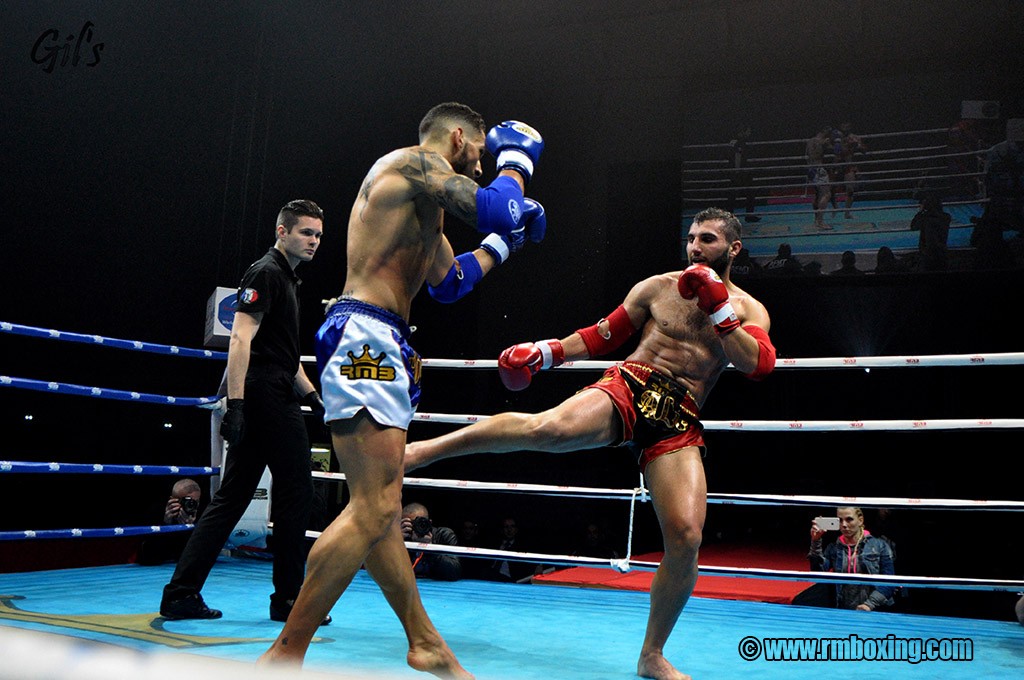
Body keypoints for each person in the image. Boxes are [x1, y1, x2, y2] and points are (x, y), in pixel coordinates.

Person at [405, 207, 776, 680]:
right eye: (691, 239)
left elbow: (757, 364)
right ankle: (420, 452)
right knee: (547, 430)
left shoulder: (747, 308)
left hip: (679, 413)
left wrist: (719, 308)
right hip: (633, 382)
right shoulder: (657, 287)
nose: (694, 248)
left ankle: (651, 655)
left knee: (686, 537)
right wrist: (546, 353)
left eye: (706, 240)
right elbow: (603, 335)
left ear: (733, 249)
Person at [257, 102, 547, 678]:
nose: (484, 164)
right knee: (372, 507)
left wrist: (508, 243)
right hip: (366, 335)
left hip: (380, 337)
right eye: (484, 153)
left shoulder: (424, 204)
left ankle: (425, 643)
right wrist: (519, 164)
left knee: (382, 508)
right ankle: (285, 653)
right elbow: (493, 206)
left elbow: (451, 283)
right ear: (458, 138)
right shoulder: (413, 164)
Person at [160, 200, 326, 623]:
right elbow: (240, 339)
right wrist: (236, 405)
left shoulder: (288, 279)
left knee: (231, 498)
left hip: (271, 389)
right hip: (264, 394)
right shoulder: (266, 272)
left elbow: (284, 355)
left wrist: (314, 398)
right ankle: (288, 599)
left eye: (318, 235)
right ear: (281, 232)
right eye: (306, 232)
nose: (314, 241)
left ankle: (180, 594)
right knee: (297, 492)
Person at [808, 507, 897, 611]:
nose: (844, 525)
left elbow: (889, 583)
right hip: (842, 610)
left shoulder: (880, 546)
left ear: (860, 520)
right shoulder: (834, 548)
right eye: (840, 520)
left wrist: (869, 604)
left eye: (849, 519)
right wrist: (815, 541)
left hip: (876, 610)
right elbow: (818, 574)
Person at [136, 478, 202, 566]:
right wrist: (165, 526)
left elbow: (200, 557)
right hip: (157, 568)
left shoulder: (203, 515)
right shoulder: (157, 512)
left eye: (195, 502)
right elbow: (146, 557)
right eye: (186, 501)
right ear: (172, 500)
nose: (191, 505)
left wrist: (189, 530)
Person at [401, 502, 462, 582]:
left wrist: (430, 548)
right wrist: (398, 541)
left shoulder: (443, 535)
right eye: (412, 524)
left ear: (429, 522)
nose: (417, 527)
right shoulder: (400, 537)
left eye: (420, 523)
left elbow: (455, 573)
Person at [487, 516, 540, 583]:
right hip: (490, 577)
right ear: (502, 530)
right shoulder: (494, 544)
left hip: (510, 580)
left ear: (516, 529)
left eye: (512, 526)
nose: (509, 530)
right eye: (506, 527)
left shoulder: (522, 548)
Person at [909, 193, 952, 272]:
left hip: (927, 254)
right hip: (942, 251)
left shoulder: (925, 218)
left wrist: (920, 212)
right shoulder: (946, 217)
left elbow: (913, 226)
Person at [725, 126, 759, 222]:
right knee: (748, 192)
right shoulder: (739, 142)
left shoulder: (732, 141)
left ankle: (730, 217)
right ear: (742, 132)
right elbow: (737, 157)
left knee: (733, 195)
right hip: (739, 171)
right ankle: (748, 215)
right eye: (747, 131)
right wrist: (737, 170)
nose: (749, 134)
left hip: (735, 171)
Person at [835, 122, 868, 219]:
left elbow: (864, 151)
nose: (845, 127)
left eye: (847, 126)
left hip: (848, 166)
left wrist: (857, 145)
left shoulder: (855, 137)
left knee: (850, 190)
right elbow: (834, 152)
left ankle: (847, 213)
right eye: (843, 125)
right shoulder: (836, 138)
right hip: (835, 165)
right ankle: (821, 217)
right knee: (827, 191)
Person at [806, 126, 834, 230]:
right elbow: (815, 156)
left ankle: (816, 220)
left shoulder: (810, 141)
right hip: (818, 169)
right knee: (826, 194)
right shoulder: (819, 141)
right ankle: (820, 221)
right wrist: (823, 144)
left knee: (818, 195)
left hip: (811, 169)